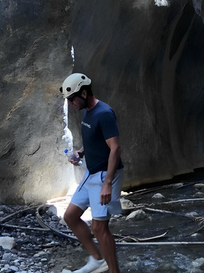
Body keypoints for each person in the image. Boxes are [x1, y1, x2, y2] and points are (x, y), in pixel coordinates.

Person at [60, 73, 124, 273]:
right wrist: (80, 152)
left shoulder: (104, 113)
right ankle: (97, 259)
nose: (71, 104)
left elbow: (115, 148)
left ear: (84, 93)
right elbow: (96, 142)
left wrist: (107, 184)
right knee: (70, 216)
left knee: (99, 228)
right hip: (91, 173)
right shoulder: (87, 111)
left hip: (106, 176)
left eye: (72, 99)